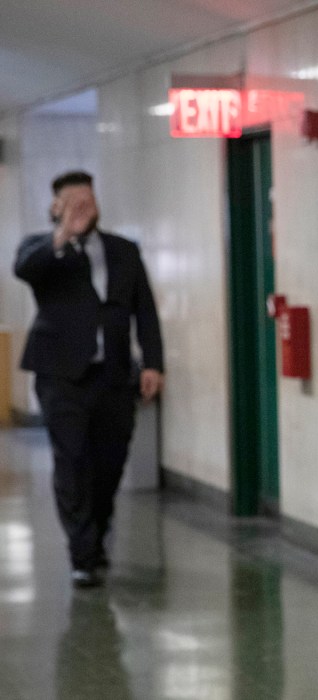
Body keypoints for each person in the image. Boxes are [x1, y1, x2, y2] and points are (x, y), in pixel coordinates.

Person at [14, 170, 164, 589]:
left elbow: (145, 311)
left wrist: (152, 363)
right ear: (57, 207)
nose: (85, 207)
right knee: (73, 460)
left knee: (109, 462)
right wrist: (64, 233)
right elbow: (26, 270)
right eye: (74, 201)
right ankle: (81, 555)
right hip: (61, 377)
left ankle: (94, 536)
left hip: (114, 375)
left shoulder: (123, 251)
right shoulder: (42, 250)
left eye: (89, 199)